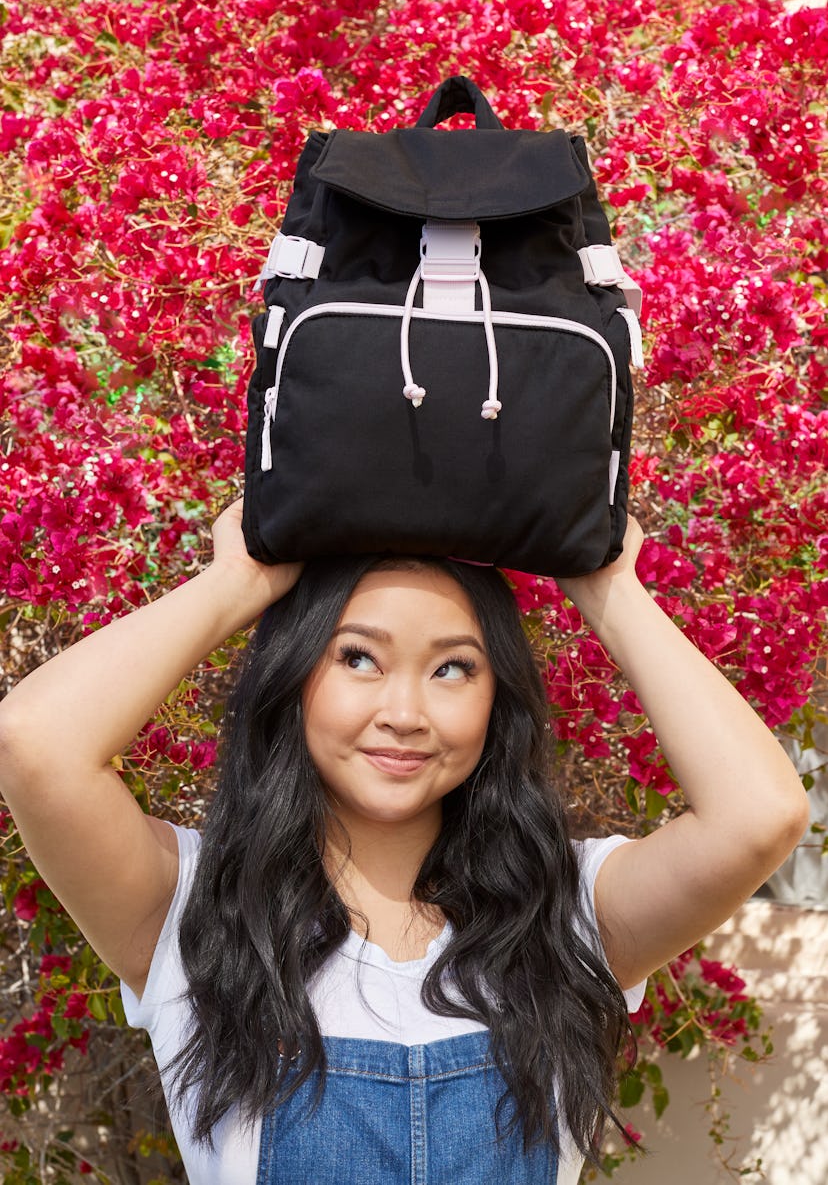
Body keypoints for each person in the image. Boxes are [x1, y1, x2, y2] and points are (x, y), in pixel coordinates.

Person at [0, 498, 808, 1184]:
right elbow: (35, 743)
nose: (405, 712)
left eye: (453, 669)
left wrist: (608, 593)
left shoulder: (568, 914)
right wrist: (235, 584)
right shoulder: (191, 909)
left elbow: (760, 817)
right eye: (358, 658)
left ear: (500, 700)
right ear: (295, 675)